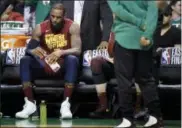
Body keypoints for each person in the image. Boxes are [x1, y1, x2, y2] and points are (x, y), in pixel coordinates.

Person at [15, 3, 81, 119]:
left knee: (72, 60)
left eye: (58, 17)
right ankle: (30, 103)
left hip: (62, 65)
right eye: (53, 16)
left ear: (64, 16)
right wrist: (36, 53)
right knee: (25, 60)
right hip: (44, 64)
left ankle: (65, 104)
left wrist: (61, 52)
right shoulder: (40, 28)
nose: (55, 20)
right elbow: (29, 49)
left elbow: (78, 50)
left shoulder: (72, 26)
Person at [107, 1, 162, 128]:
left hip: (124, 36)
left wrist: (138, 23)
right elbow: (153, 11)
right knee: (146, 79)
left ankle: (128, 119)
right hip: (144, 37)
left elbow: (118, 10)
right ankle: (156, 117)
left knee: (124, 81)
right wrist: (147, 33)